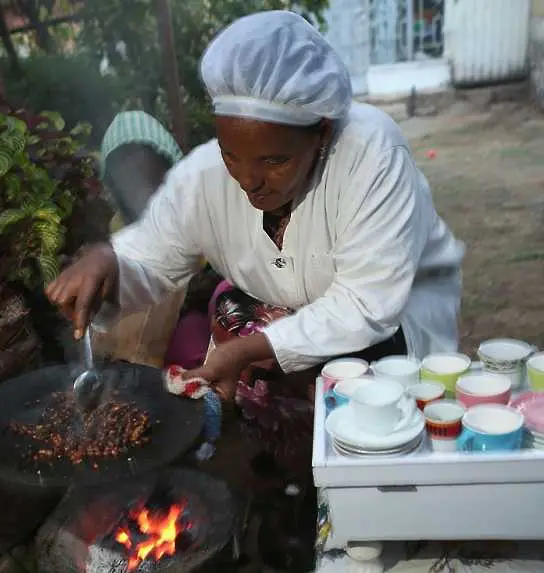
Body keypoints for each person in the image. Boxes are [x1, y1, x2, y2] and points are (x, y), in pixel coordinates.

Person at [47, 10, 464, 568]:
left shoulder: (369, 154)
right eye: (232, 154)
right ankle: (289, 496)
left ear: (320, 131)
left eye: (274, 159)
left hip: (392, 319)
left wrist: (246, 350)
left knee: (371, 444)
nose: (248, 179)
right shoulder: (204, 177)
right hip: (293, 310)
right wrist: (108, 261)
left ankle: (355, 518)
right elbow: (150, 255)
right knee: (267, 407)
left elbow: (367, 303)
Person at [93, 111, 217, 370]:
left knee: (190, 346)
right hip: (121, 360)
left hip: (183, 340)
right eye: (123, 170)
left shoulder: (195, 216)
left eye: (144, 167)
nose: (134, 177)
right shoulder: (117, 229)